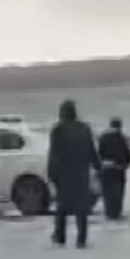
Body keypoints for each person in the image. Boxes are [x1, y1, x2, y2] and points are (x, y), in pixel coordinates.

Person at [47, 99, 100, 248]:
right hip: (81, 173)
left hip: (64, 173)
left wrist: (52, 174)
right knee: (81, 208)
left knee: (62, 207)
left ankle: (60, 236)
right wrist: (97, 166)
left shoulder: (58, 130)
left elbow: (54, 153)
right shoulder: (84, 128)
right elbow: (91, 149)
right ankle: (81, 238)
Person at [97, 117, 130, 220]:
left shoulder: (103, 137)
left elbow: (99, 152)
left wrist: (100, 164)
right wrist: (126, 164)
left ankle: (109, 212)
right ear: (119, 126)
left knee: (107, 191)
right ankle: (116, 212)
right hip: (118, 168)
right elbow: (126, 153)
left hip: (106, 167)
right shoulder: (121, 138)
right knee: (118, 191)